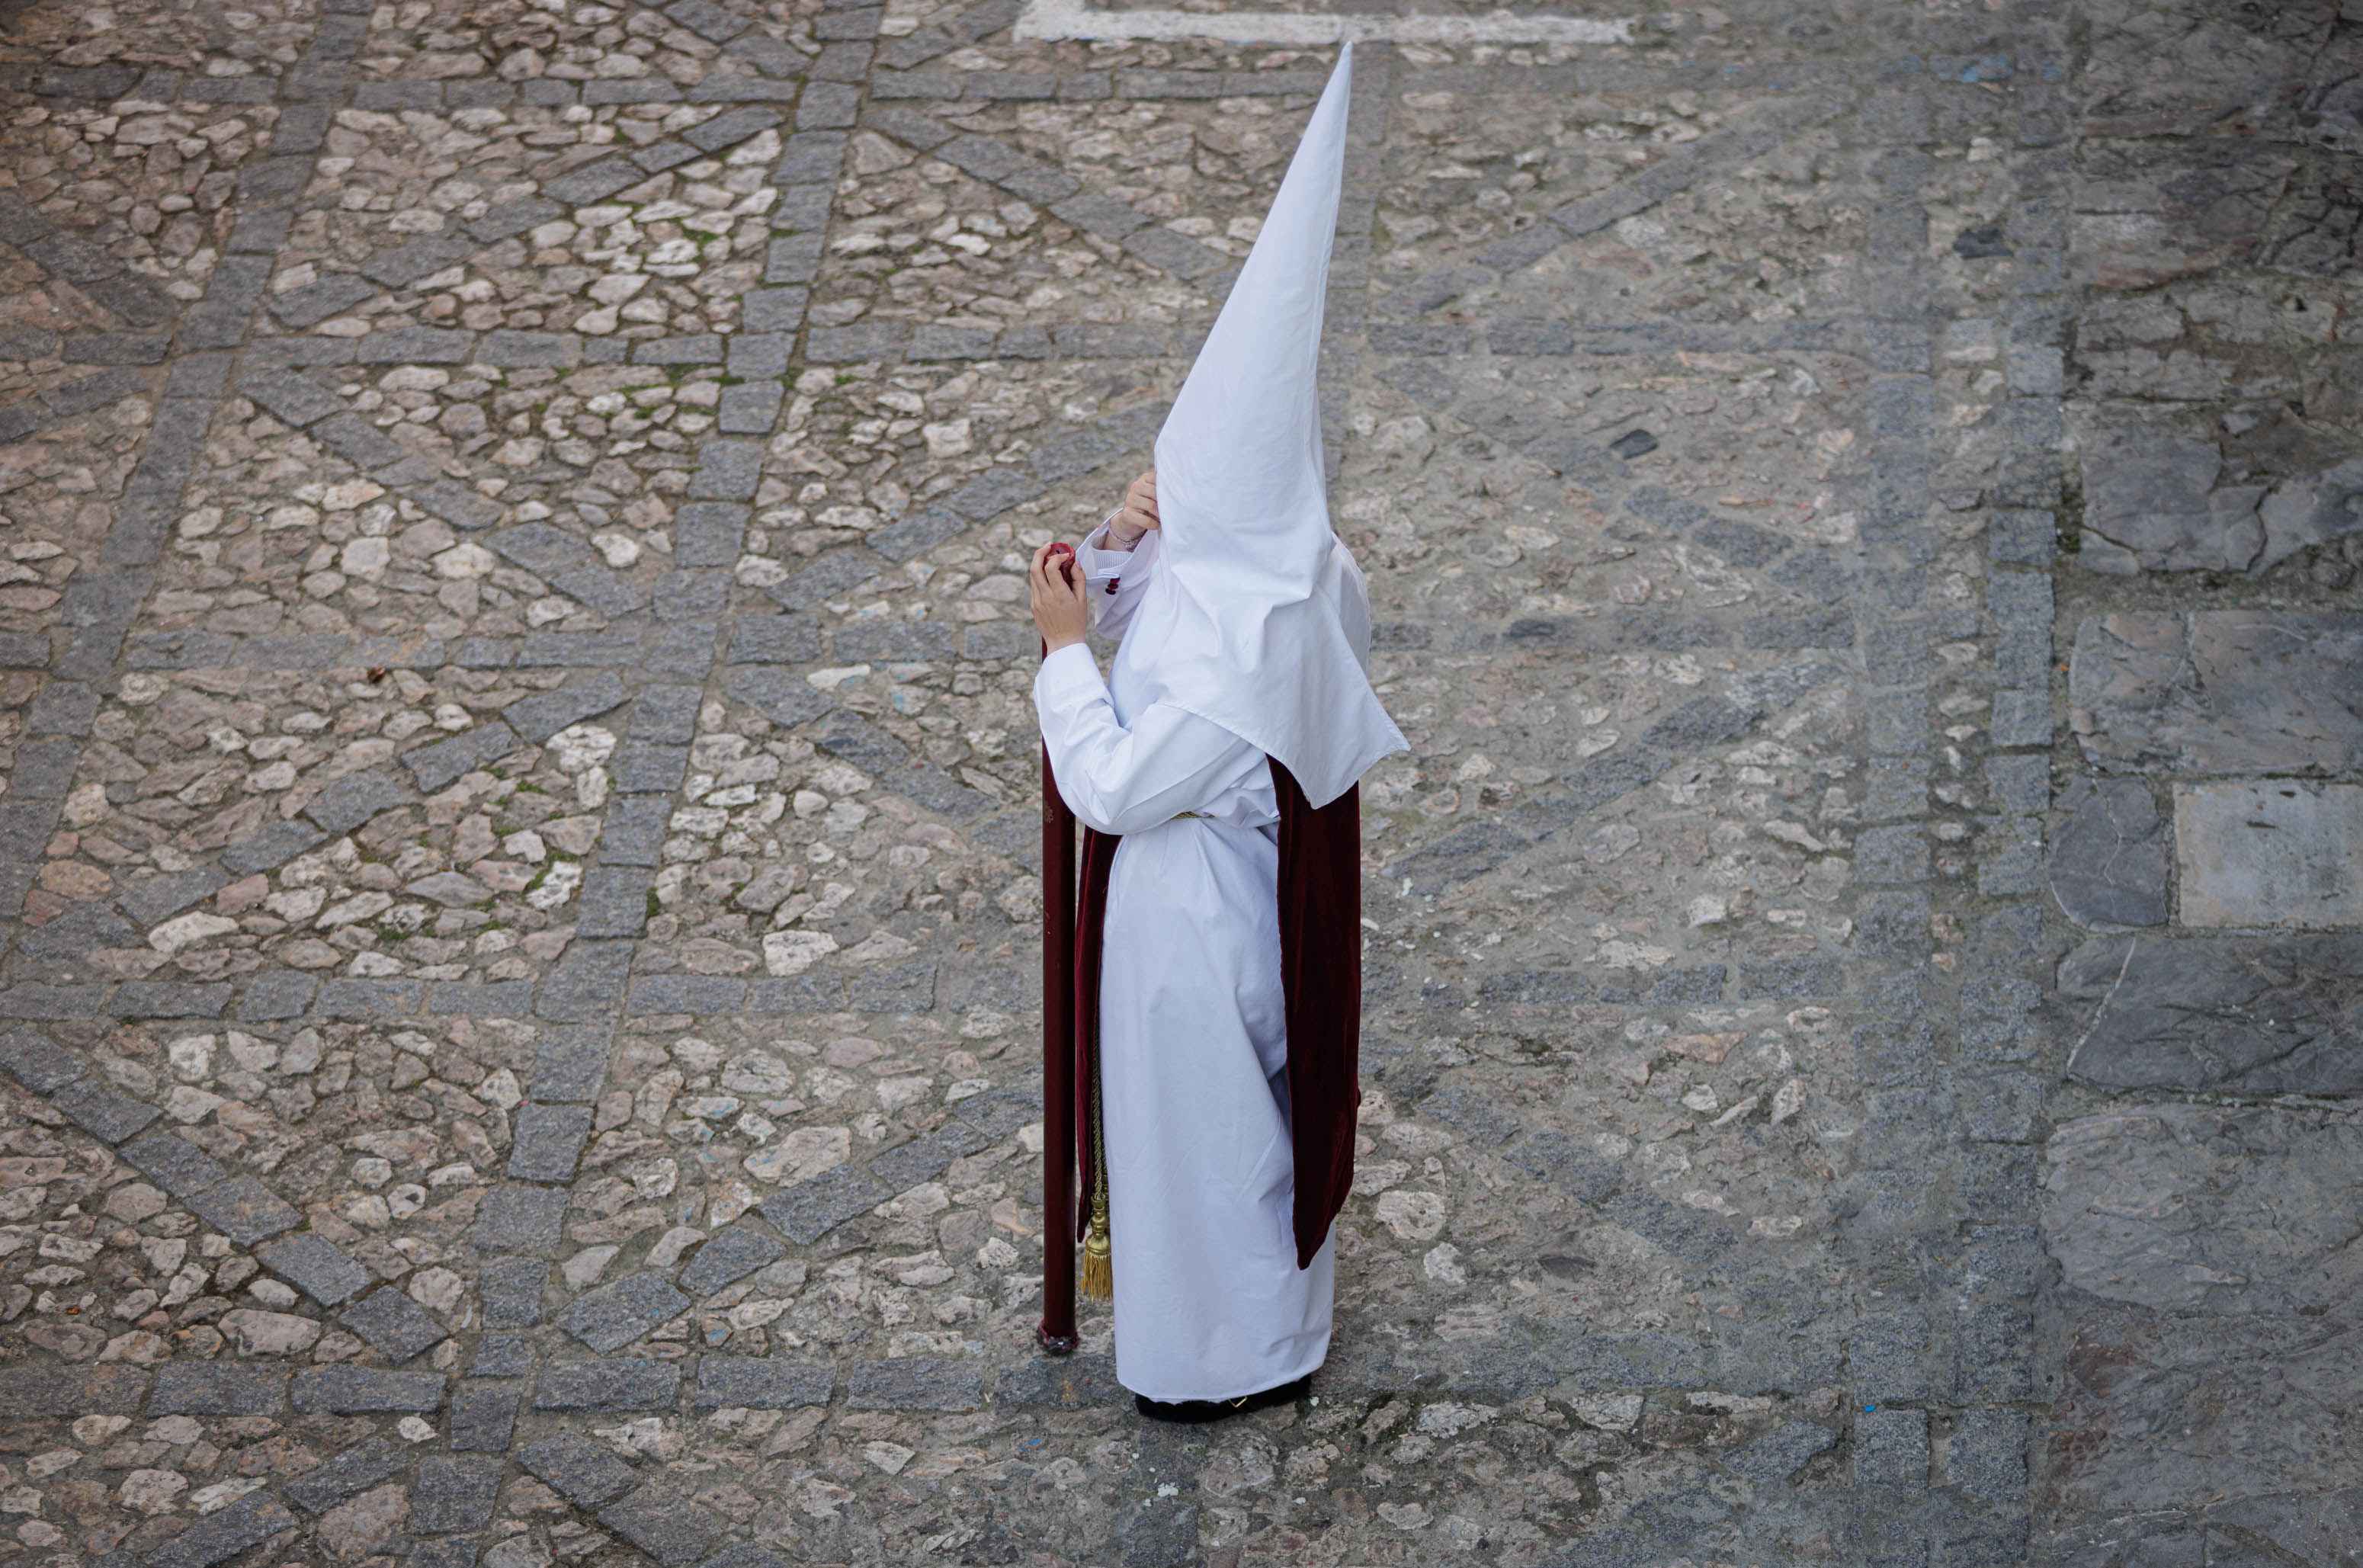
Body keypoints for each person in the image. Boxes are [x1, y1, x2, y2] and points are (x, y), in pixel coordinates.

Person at [1025, 44, 1409, 1423]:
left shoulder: (1230, 658)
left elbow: (1119, 780)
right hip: (1247, 898)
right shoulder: (1299, 571)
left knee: (1201, 1147)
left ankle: (1223, 1359)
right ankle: (1261, 1330)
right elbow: (1172, 600)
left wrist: (1068, 657)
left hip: (1190, 919)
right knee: (1237, 1127)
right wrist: (1128, 543)